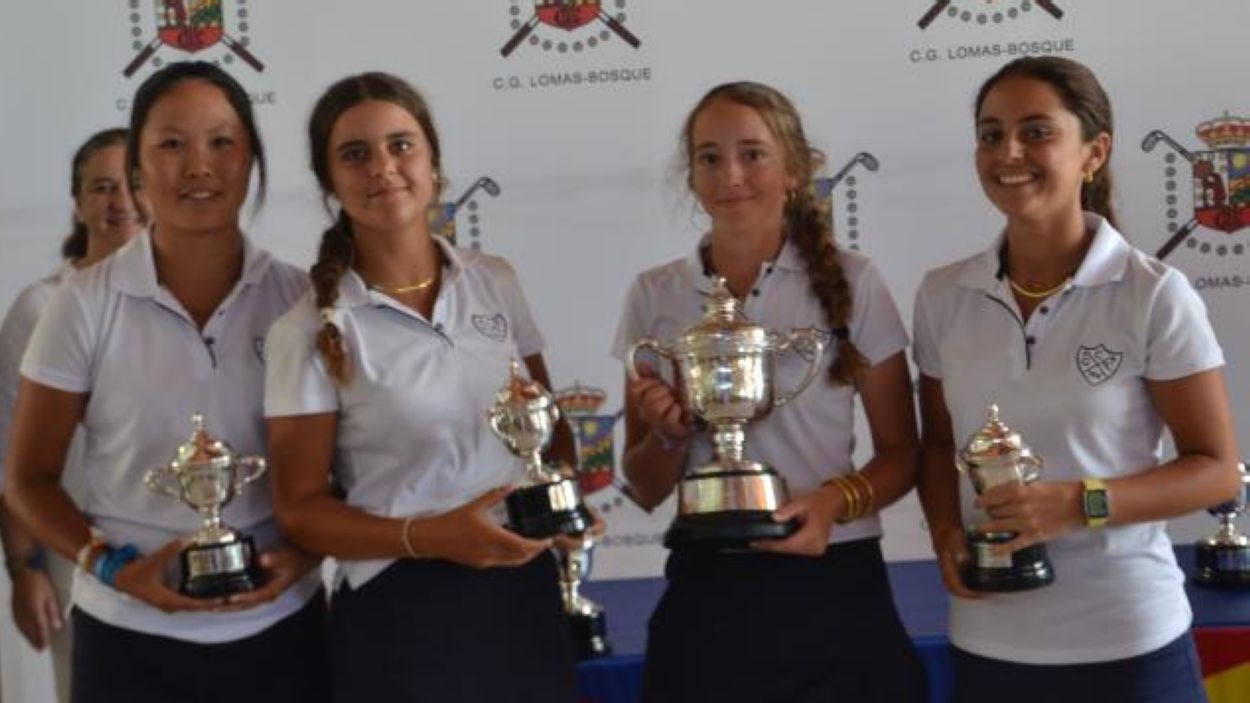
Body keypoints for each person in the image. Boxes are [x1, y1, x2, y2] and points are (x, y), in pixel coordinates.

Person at [913, 56, 1240, 702]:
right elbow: (937, 446)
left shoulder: (1153, 294)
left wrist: (1080, 502)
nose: (1009, 151)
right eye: (990, 133)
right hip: (989, 642)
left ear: (1094, 152)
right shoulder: (943, 294)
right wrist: (948, 530)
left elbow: (1218, 470)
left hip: (1128, 644)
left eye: (1037, 131)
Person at [4, 62, 327, 703]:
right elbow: (28, 480)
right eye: (171, 144)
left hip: (282, 629)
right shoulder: (83, 302)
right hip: (126, 637)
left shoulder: (301, 298)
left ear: (252, 161)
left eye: (222, 142)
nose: (198, 166)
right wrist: (114, 569)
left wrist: (303, 555)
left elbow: (341, 469)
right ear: (138, 169)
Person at [264, 71, 581, 703]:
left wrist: (560, 504)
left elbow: (552, 436)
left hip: (523, 593)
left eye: (401, 145)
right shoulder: (307, 329)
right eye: (355, 154)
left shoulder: (494, 280)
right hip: (401, 611)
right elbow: (300, 510)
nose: (383, 166)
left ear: (434, 162)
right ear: (330, 183)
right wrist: (432, 536)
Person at [613, 81, 927, 702]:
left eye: (752, 153)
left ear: (793, 170)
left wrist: (831, 505)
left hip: (834, 576)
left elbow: (902, 455)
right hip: (710, 589)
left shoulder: (853, 282)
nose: (730, 174)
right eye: (709, 157)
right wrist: (669, 435)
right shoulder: (654, 295)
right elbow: (646, 486)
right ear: (692, 175)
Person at [0, 127, 144, 702]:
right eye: (101, 187)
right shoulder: (40, 307)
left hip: (184, 551)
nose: (120, 202)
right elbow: (10, 453)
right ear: (78, 202)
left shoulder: (196, 296)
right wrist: (25, 567)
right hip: (77, 558)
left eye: (132, 183)